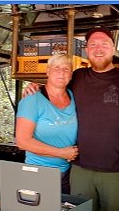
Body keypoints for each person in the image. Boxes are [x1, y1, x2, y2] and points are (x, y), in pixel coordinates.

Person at [21, 26, 119, 211]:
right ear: (86, 50)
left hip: (115, 171)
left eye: (104, 44)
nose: (98, 49)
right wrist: (34, 85)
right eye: (93, 45)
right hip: (79, 169)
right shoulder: (77, 77)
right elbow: (55, 85)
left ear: (113, 49)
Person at [14, 54, 78, 194]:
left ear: (71, 75)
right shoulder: (32, 100)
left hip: (67, 173)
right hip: (38, 172)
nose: (61, 72)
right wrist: (61, 153)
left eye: (66, 69)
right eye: (56, 68)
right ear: (48, 71)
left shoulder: (73, 95)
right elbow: (22, 141)